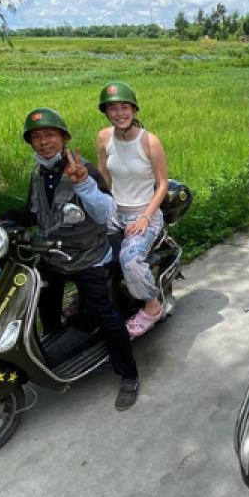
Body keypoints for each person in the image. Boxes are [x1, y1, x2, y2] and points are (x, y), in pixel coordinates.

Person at [4, 108, 142, 411]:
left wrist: (82, 184)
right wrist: (1, 220)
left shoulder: (83, 169)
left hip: (88, 256)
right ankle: (57, 347)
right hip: (53, 255)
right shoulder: (38, 173)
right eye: (37, 138)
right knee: (42, 301)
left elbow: (106, 212)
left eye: (49, 135)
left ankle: (128, 374)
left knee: (106, 315)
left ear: (63, 137)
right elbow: (34, 211)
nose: (43, 142)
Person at [94, 81, 170, 338]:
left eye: (124, 107)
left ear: (134, 109)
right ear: (106, 112)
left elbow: (162, 185)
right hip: (114, 212)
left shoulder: (149, 141)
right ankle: (90, 297)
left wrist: (146, 218)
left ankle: (152, 305)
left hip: (144, 213)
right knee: (83, 247)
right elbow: (103, 176)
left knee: (130, 259)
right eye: (112, 108)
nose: (119, 113)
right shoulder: (104, 137)